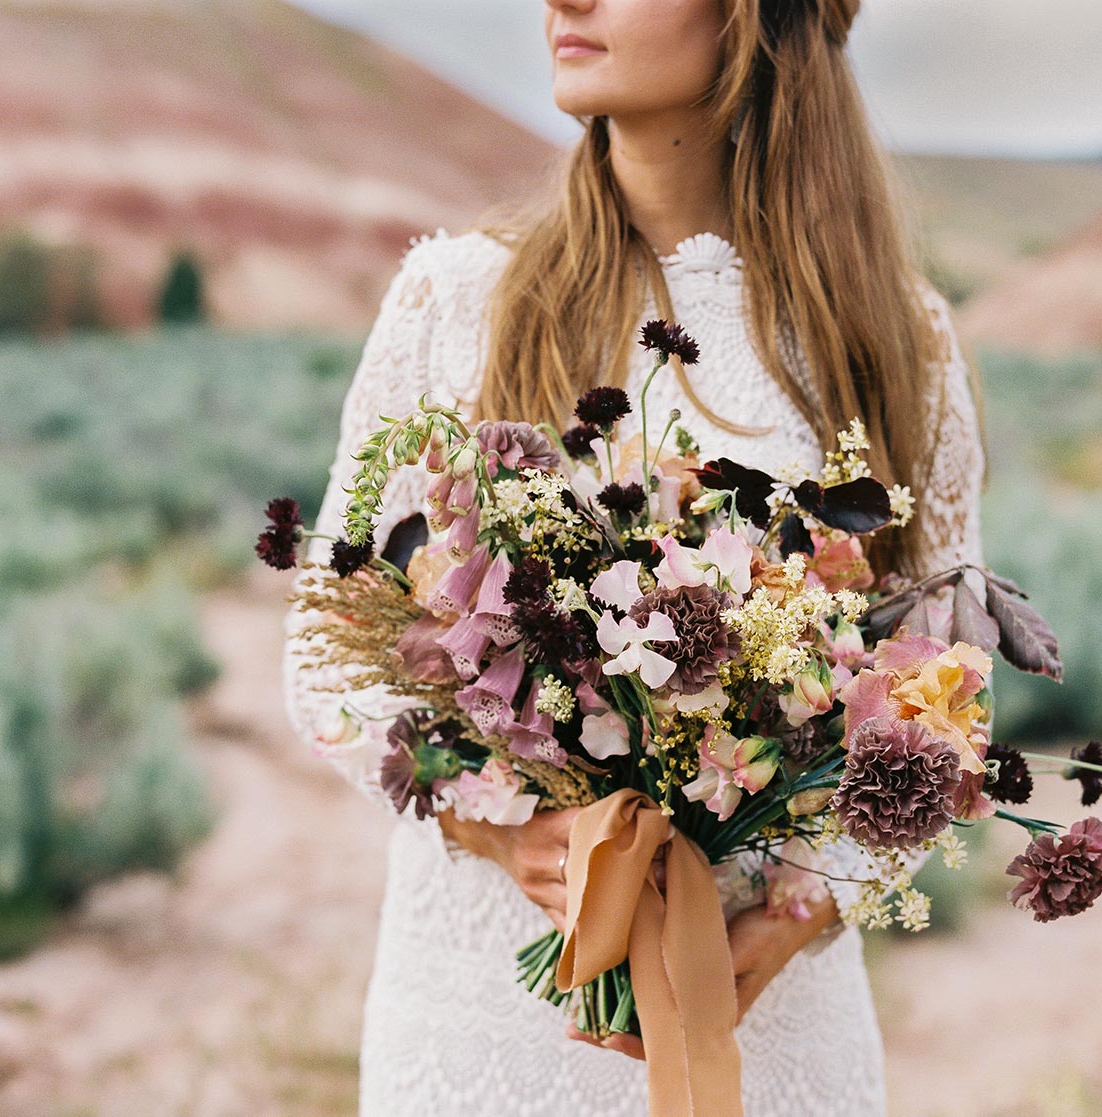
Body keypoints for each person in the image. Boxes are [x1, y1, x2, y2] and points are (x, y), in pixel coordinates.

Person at [283, 0, 989, 1112]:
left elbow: (945, 704)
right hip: (484, 1024)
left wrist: (796, 917)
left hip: (770, 1033)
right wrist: (493, 818)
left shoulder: (896, 338)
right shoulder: (456, 300)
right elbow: (323, 657)